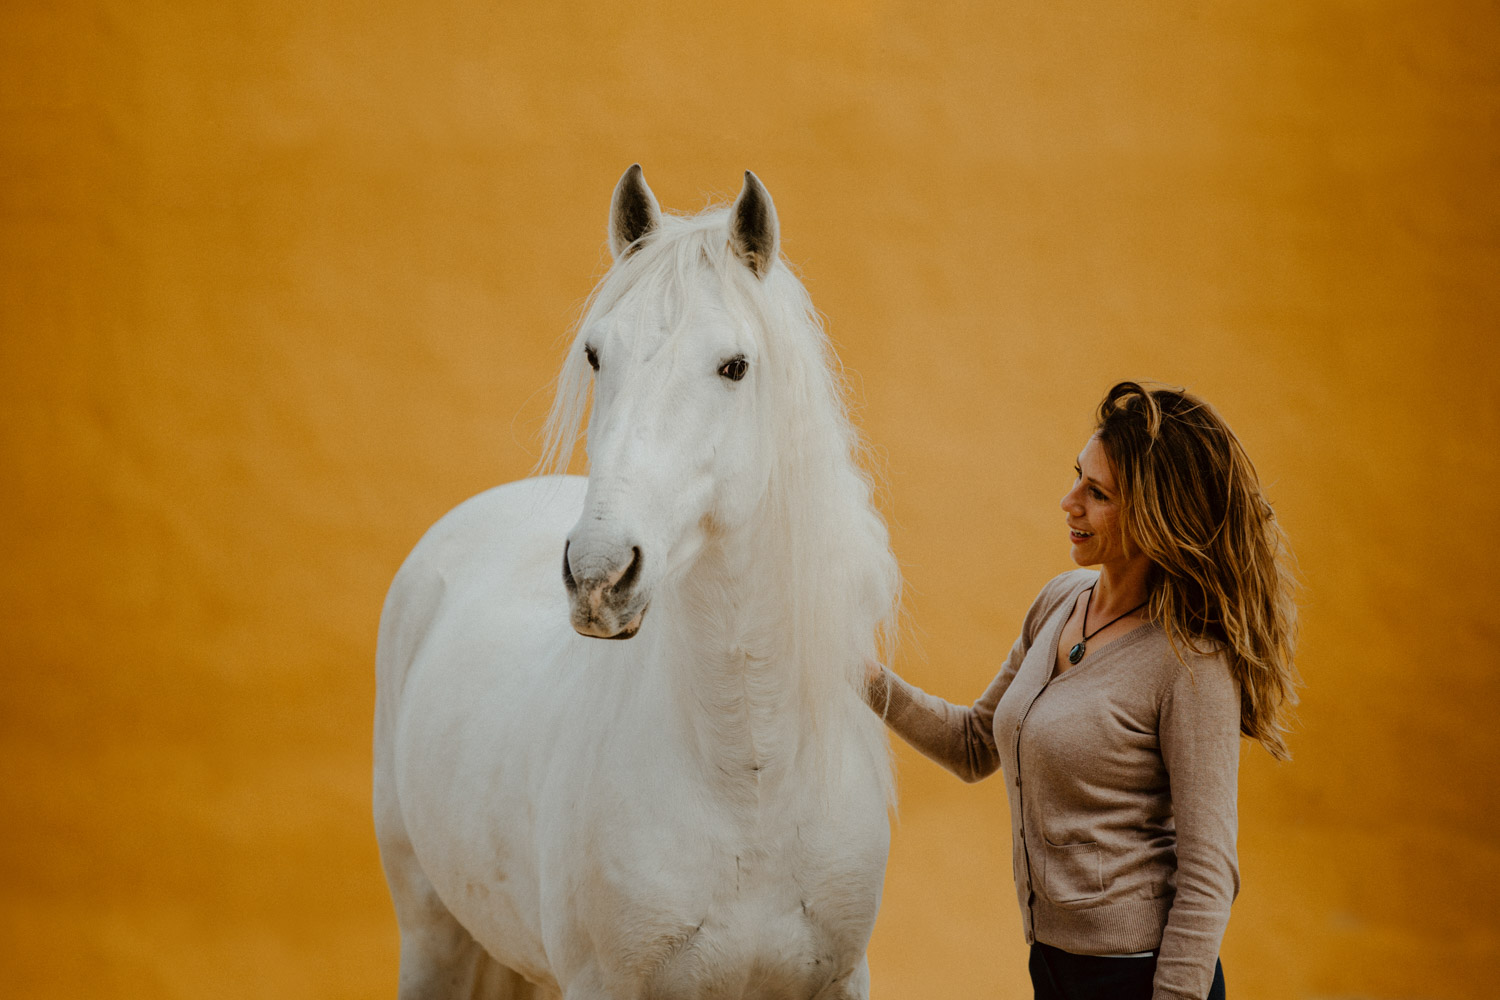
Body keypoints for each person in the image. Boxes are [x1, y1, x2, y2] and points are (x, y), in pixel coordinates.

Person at [865, 381, 1299, 1000]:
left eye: (1096, 494)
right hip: (1052, 966)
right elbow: (972, 746)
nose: (1068, 502)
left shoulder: (1190, 662)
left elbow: (1209, 873)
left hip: (1139, 975)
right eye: (1078, 478)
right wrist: (860, 676)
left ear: (1154, 514)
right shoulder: (1059, 602)